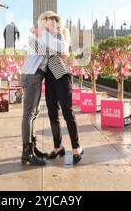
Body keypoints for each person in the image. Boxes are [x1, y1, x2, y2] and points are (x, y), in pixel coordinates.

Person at [19, 14, 68, 166]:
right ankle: (27, 152)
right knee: (29, 114)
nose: (52, 24)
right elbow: (62, 48)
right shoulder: (42, 32)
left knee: (33, 114)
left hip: (34, 74)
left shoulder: (40, 34)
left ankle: (32, 148)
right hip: (32, 75)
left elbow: (50, 51)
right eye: (49, 21)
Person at [41, 11, 84, 165]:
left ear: (56, 23)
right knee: (53, 114)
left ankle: (76, 147)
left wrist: (50, 47)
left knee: (67, 113)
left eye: (51, 22)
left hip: (62, 77)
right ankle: (58, 147)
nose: (49, 24)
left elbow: (61, 50)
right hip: (49, 78)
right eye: (46, 21)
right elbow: (40, 51)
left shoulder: (59, 35)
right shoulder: (43, 38)